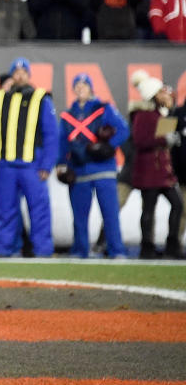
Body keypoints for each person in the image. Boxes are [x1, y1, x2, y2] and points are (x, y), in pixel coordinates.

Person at [0, 58, 59, 257]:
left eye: (23, 71)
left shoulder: (41, 98)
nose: (19, 74)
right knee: (4, 210)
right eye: (15, 71)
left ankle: (42, 250)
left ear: (29, 74)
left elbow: (51, 134)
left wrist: (47, 164)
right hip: (5, 164)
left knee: (39, 209)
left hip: (31, 164)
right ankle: (5, 249)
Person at [57, 73, 130, 259]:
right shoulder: (67, 116)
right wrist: (61, 164)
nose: (80, 88)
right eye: (77, 85)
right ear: (73, 89)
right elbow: (62, 142)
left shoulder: (104, 109)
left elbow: (123, 130)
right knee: (79, 217)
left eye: (84, 84)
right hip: (79, 170)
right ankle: (80, 251)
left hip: (103, 169)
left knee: (110, 214)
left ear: (91, 88)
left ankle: (116, 250)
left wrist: (108, 146)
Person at [128, 71, 184, 259]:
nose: (164, 94)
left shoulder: (159, 113)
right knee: (149, 210)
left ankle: (172, 245)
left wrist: (166, 132)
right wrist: (163, 139)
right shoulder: (143, 115)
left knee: (177, 205)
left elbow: (164, 137)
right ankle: (147, 247)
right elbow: (141, 140)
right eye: (160, 92)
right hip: (149, 171)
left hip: (162, 172)